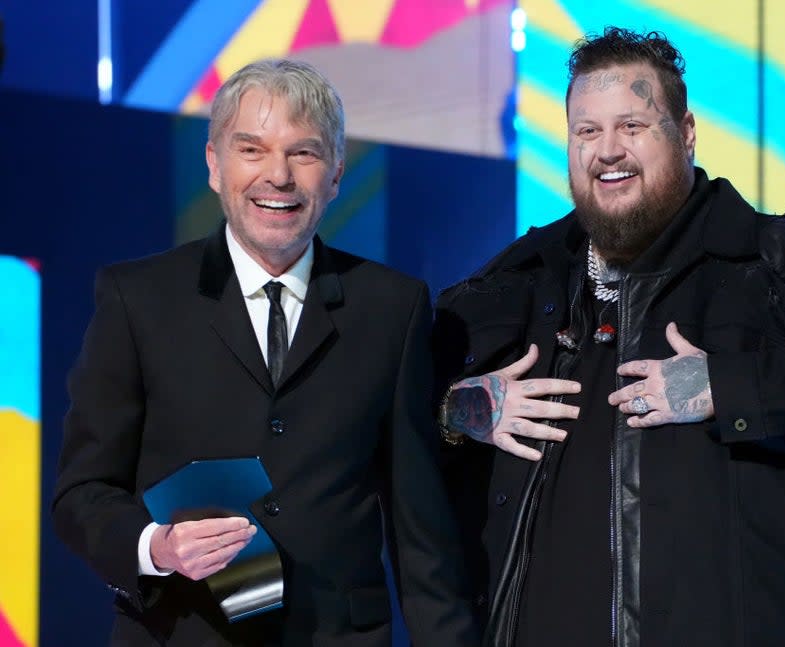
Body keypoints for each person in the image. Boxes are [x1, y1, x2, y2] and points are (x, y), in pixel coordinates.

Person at [433, 27, 785, 647]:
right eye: (586, 131)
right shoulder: (508, 285)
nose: (607, 151)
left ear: (687, 132)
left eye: (633, 127)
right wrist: (456, 409)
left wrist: (731, 387)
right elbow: (388, 423)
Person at [52, 58, 480, 646]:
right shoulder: (138, 298)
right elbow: (83, 492)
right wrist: (158, 547)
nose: (277, 176)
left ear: (335, 174)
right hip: (182, 633)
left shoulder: (392, 307)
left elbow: (419, 525)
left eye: (303, 153)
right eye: (251, 149)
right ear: (214, 165)